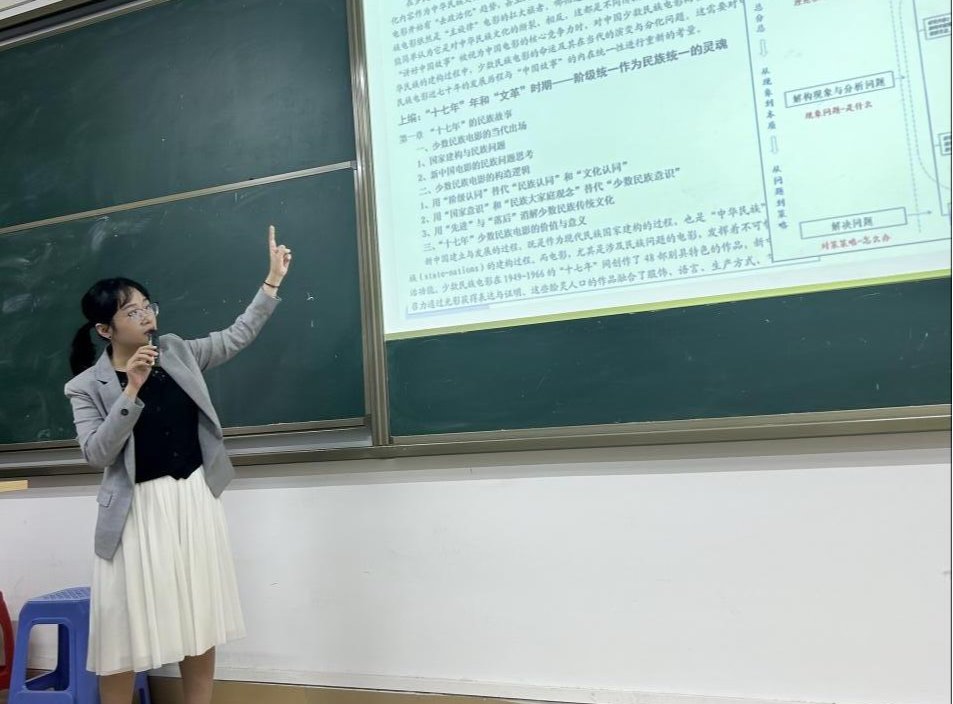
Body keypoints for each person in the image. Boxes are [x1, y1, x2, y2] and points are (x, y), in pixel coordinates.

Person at [64, 225, 291, 704]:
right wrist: (130, 390)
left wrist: (271, 282)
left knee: (199, 619)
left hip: (192, 498)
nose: (146, 316)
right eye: (132, 311)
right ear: (105, 329)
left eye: (147, 306)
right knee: (122, 634)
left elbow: (235, 336)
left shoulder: (178, 351)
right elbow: (96, 454)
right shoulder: (86, 386)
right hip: (135, 513)